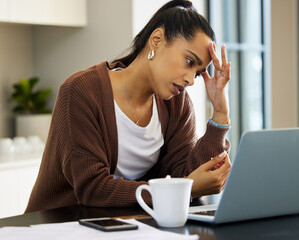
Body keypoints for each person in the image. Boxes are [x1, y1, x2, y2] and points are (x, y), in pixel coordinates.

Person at [25, 0, 232, 213]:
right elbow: (93, 189)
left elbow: (185, 175)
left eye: (197, 73)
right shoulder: (81, 91)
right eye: (189, 62)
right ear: (157, 40)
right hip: (62, 225)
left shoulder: (177, 104)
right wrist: (185, 190)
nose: (190, 80)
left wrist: (220, 112)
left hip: (127, 225)